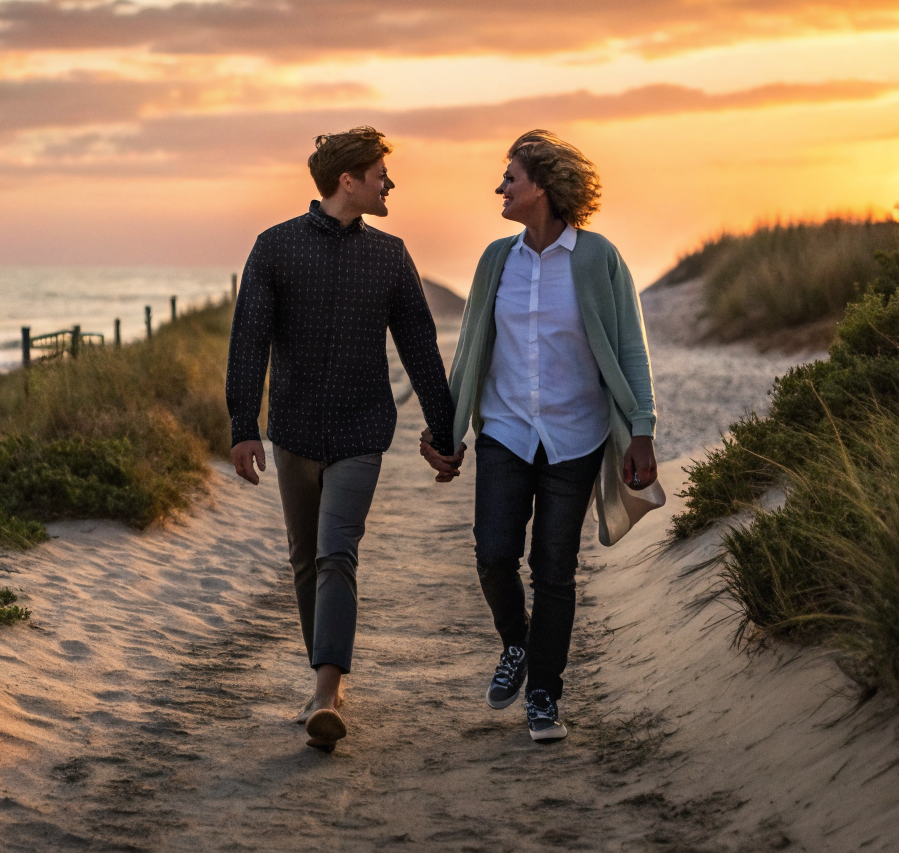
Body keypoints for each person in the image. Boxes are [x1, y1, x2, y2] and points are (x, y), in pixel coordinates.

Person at [227, 126, 465, 752]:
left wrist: (444, 430)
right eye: (382, 172)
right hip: (294, 431)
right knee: (305, 559)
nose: (391, 183)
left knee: (337, 552)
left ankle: (327, 694)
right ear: (349, 179)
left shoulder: (390, 256)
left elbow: (420, 348)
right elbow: (248, 339)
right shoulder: (274, 249)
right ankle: (321, 683)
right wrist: (241, 427)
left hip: (363, 430)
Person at [424, 128, 657, 743]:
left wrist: (642, 431)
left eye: (511, 177)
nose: (499, 186)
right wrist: (446, 429)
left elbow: (630, 348)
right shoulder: (496, 259)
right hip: (505, 430)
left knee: (555, 566)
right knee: (494, 553)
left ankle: (545, 695)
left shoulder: (599, 258)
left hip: (574, 436)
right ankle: (516, 644)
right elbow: (472, 347)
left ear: (546, 188)